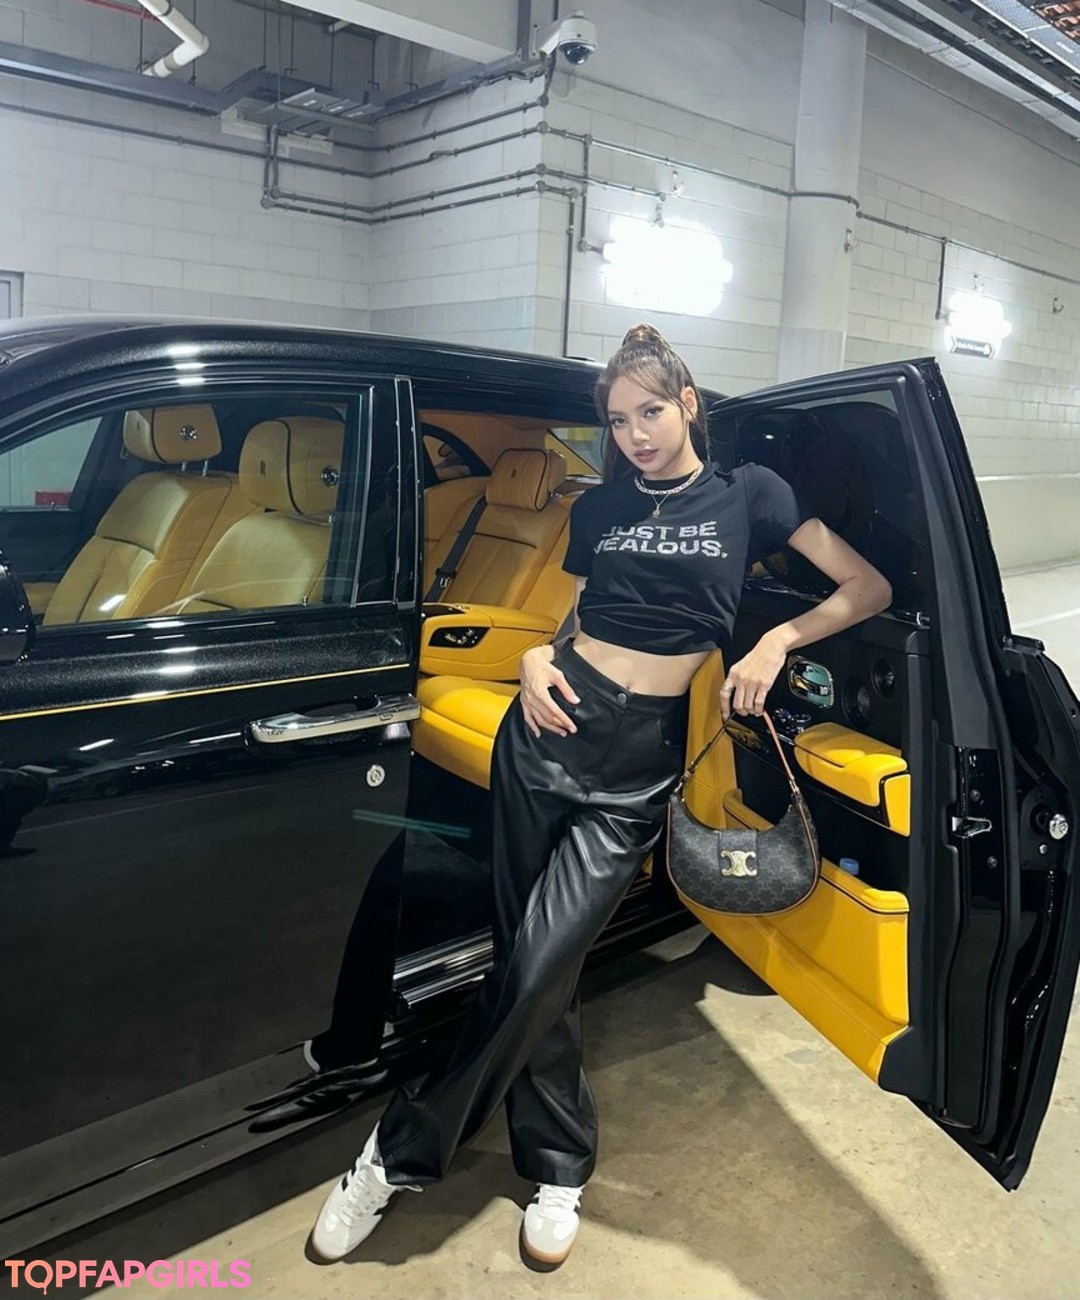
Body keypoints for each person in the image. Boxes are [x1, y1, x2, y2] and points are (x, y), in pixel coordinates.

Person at [309, 324, 893, 1269]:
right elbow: (567, 620)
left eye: (650, 412)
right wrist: (535, 660)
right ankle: (558, 1164)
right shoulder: (600, 508)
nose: (635, 435)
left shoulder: (751, 493)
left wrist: (775, 641)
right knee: (536, 962)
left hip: (636, 764)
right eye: (618, 422)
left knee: (542, 956)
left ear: (688, 403)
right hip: (545, 732)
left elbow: (867, 587)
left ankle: (393, 1155)